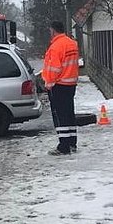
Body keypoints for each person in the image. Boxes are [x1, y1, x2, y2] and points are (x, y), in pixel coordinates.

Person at [41, 20, 80, 156]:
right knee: (69, 114)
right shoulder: (72, 43)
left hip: (59, 84)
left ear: (53, 30)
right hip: (71, 83)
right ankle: (72, 143)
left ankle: (63, 146)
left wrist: (48, 83)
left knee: (60, 115)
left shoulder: (56, 47)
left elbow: (54, 68)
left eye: (49, 31)